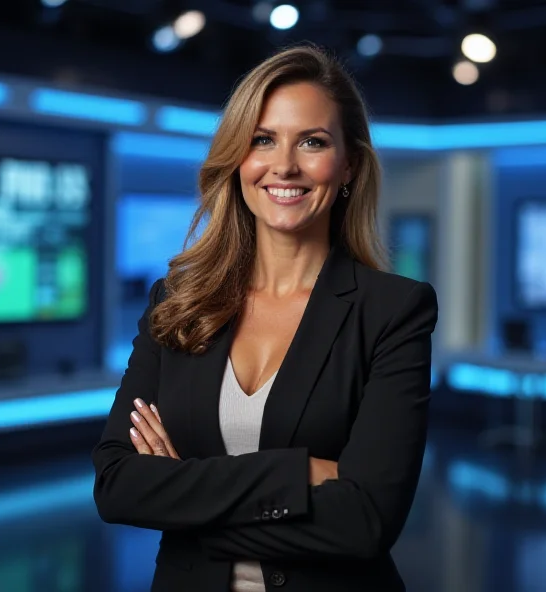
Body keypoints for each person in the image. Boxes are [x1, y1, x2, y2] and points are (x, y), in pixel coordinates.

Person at [92, 44, 438, 592]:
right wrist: (298, 473)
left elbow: (367, 521)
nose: (284, 165)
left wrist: (181, 495)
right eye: (262, 139)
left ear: (347, 164)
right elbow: (117, 485)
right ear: (238, 159)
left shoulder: (393, 311)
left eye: (313, 142)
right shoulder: (176, 302)